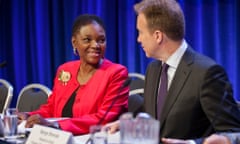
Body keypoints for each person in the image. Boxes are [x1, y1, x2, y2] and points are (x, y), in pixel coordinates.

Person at [105, 0, 240, 143]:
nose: (138, 39)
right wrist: (131, 125)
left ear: (158, 36)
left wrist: (192, 143)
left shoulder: (207, 73)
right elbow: (157, 118)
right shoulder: (153, 69)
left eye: (140, 32)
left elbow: (234, 133)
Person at [17, 14, 129, 135]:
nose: (95, 45)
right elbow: (51, 108)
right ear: (74, 42)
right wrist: (28, 116)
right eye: (87, 40)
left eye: (101, 40)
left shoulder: (116, 73)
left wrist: (56, 125)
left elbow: (104, 118)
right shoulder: (65, 70)